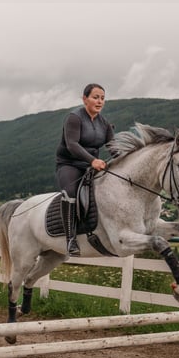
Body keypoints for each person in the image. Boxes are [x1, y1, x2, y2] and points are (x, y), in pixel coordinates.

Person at [55, 83, 115, 256]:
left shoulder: (105, 123)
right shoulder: (74, 118)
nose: (100, 101)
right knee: (71, 193)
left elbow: (114, 147)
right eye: (95, 97)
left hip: (91, 165)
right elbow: (72, 144)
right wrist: (92, 160)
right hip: (69, 164)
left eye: (102, 98)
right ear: (84, 99)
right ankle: (70, 239)